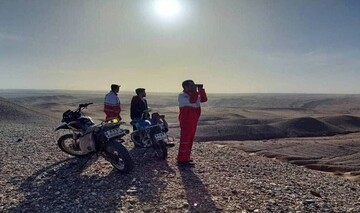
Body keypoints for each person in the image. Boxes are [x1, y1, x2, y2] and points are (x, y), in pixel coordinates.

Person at [177, 80, 207, 166]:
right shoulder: (182, 95)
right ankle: (181, 160)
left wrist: (201, 90)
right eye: (191, 85)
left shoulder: (193, 94)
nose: (193, 87)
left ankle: (186, 157)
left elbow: (204, 99)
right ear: (185, 87)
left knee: (190, 139)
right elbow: (193, 101)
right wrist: (195, 91)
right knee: (185, 139)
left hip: (193, 119)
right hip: (186, 120)